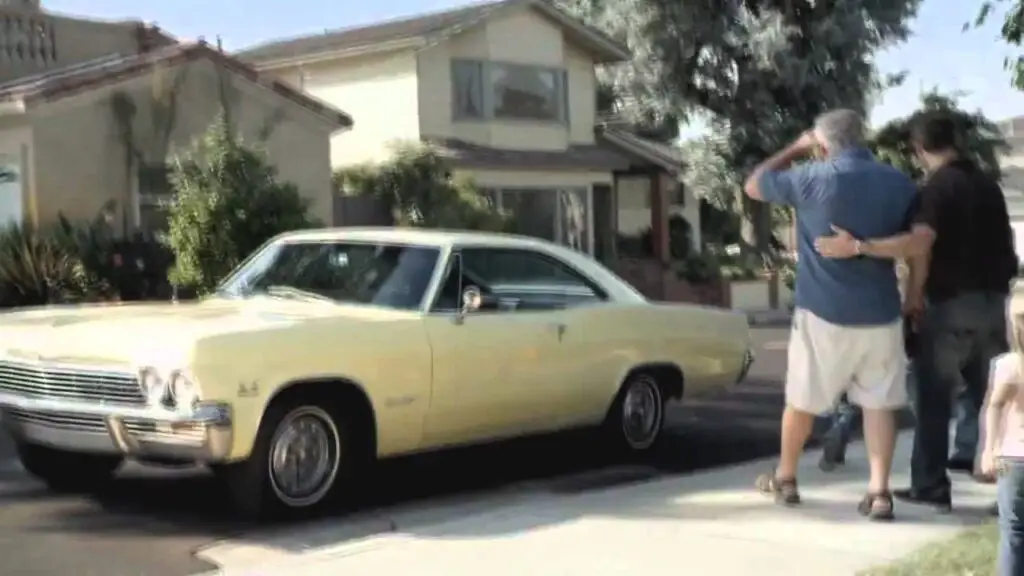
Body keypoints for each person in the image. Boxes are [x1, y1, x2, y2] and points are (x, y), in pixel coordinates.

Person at [815, 110, 1016, 511]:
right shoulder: (987, 185)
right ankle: (1007, 489)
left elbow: (920, 243)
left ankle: (930, 484)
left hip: (951, 304)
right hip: (995, 304)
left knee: (933, 400)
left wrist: (861, 248)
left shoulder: (936, 189)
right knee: (993, 400)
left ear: (919, 148)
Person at [744, 109, 917, 520]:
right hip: (880, 311)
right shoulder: (899, 184)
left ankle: (787, 478)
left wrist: (796, 147)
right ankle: (879, 492)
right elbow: (915, 241)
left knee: (801, 401)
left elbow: (754, 185)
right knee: (879, 404)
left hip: (822, 311)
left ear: (822, 145)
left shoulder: (810, 178)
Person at [979, 314, 1024, 575]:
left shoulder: (1009, 365)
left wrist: (990, 448)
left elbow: (995, 405)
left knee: (1013, 532)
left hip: (1014, 457)